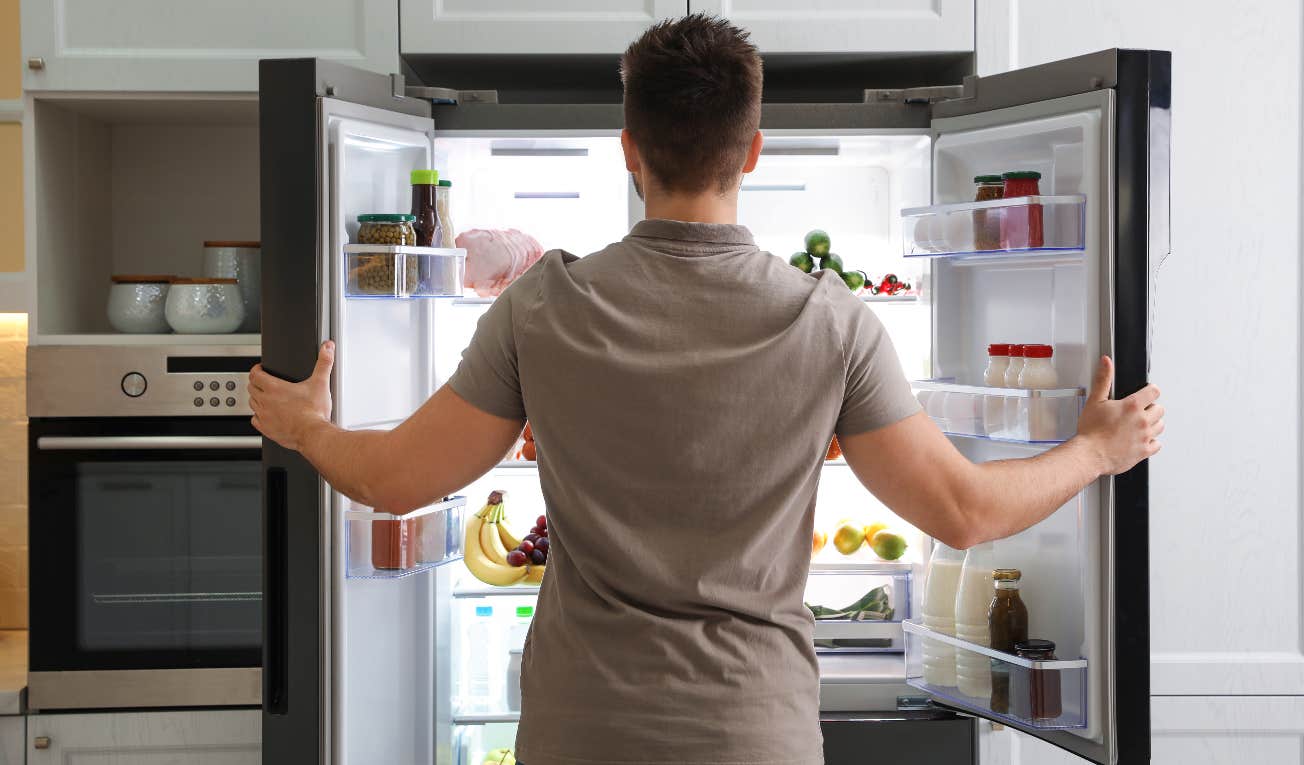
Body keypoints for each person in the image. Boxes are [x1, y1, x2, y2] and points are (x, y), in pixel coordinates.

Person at [248, 14, 1163, 765]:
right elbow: (962, 510)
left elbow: (398, 479)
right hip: (753, 735)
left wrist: (305, 425)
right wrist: (1096, 447)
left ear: (628, 149)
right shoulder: (831, 322)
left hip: (582, 736)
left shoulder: (543, 307)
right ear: (754, 149)